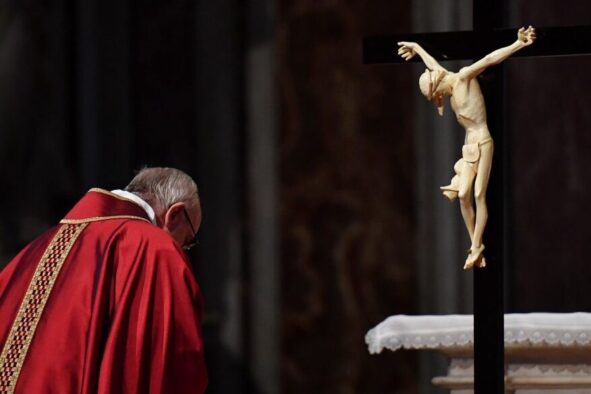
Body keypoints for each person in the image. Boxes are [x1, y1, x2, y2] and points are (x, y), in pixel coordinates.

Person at [0, 167, 207, 393]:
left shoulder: (30, 254)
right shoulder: (154, 249)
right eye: (186, 240)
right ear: (174, 214)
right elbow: (174, 366)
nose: (182, 250)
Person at [398, 26, 536, 269]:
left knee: (478, 194)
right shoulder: (445, 81)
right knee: (462, 195)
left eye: (437, 94)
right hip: (468, 145)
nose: (440, 98)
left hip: (482, 141)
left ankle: (476, 246)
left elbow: (489, 59)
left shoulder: (462, 78)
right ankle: (476, 246)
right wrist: (417, 48)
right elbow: (433, 66)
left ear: (440, 85)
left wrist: (518, 44)